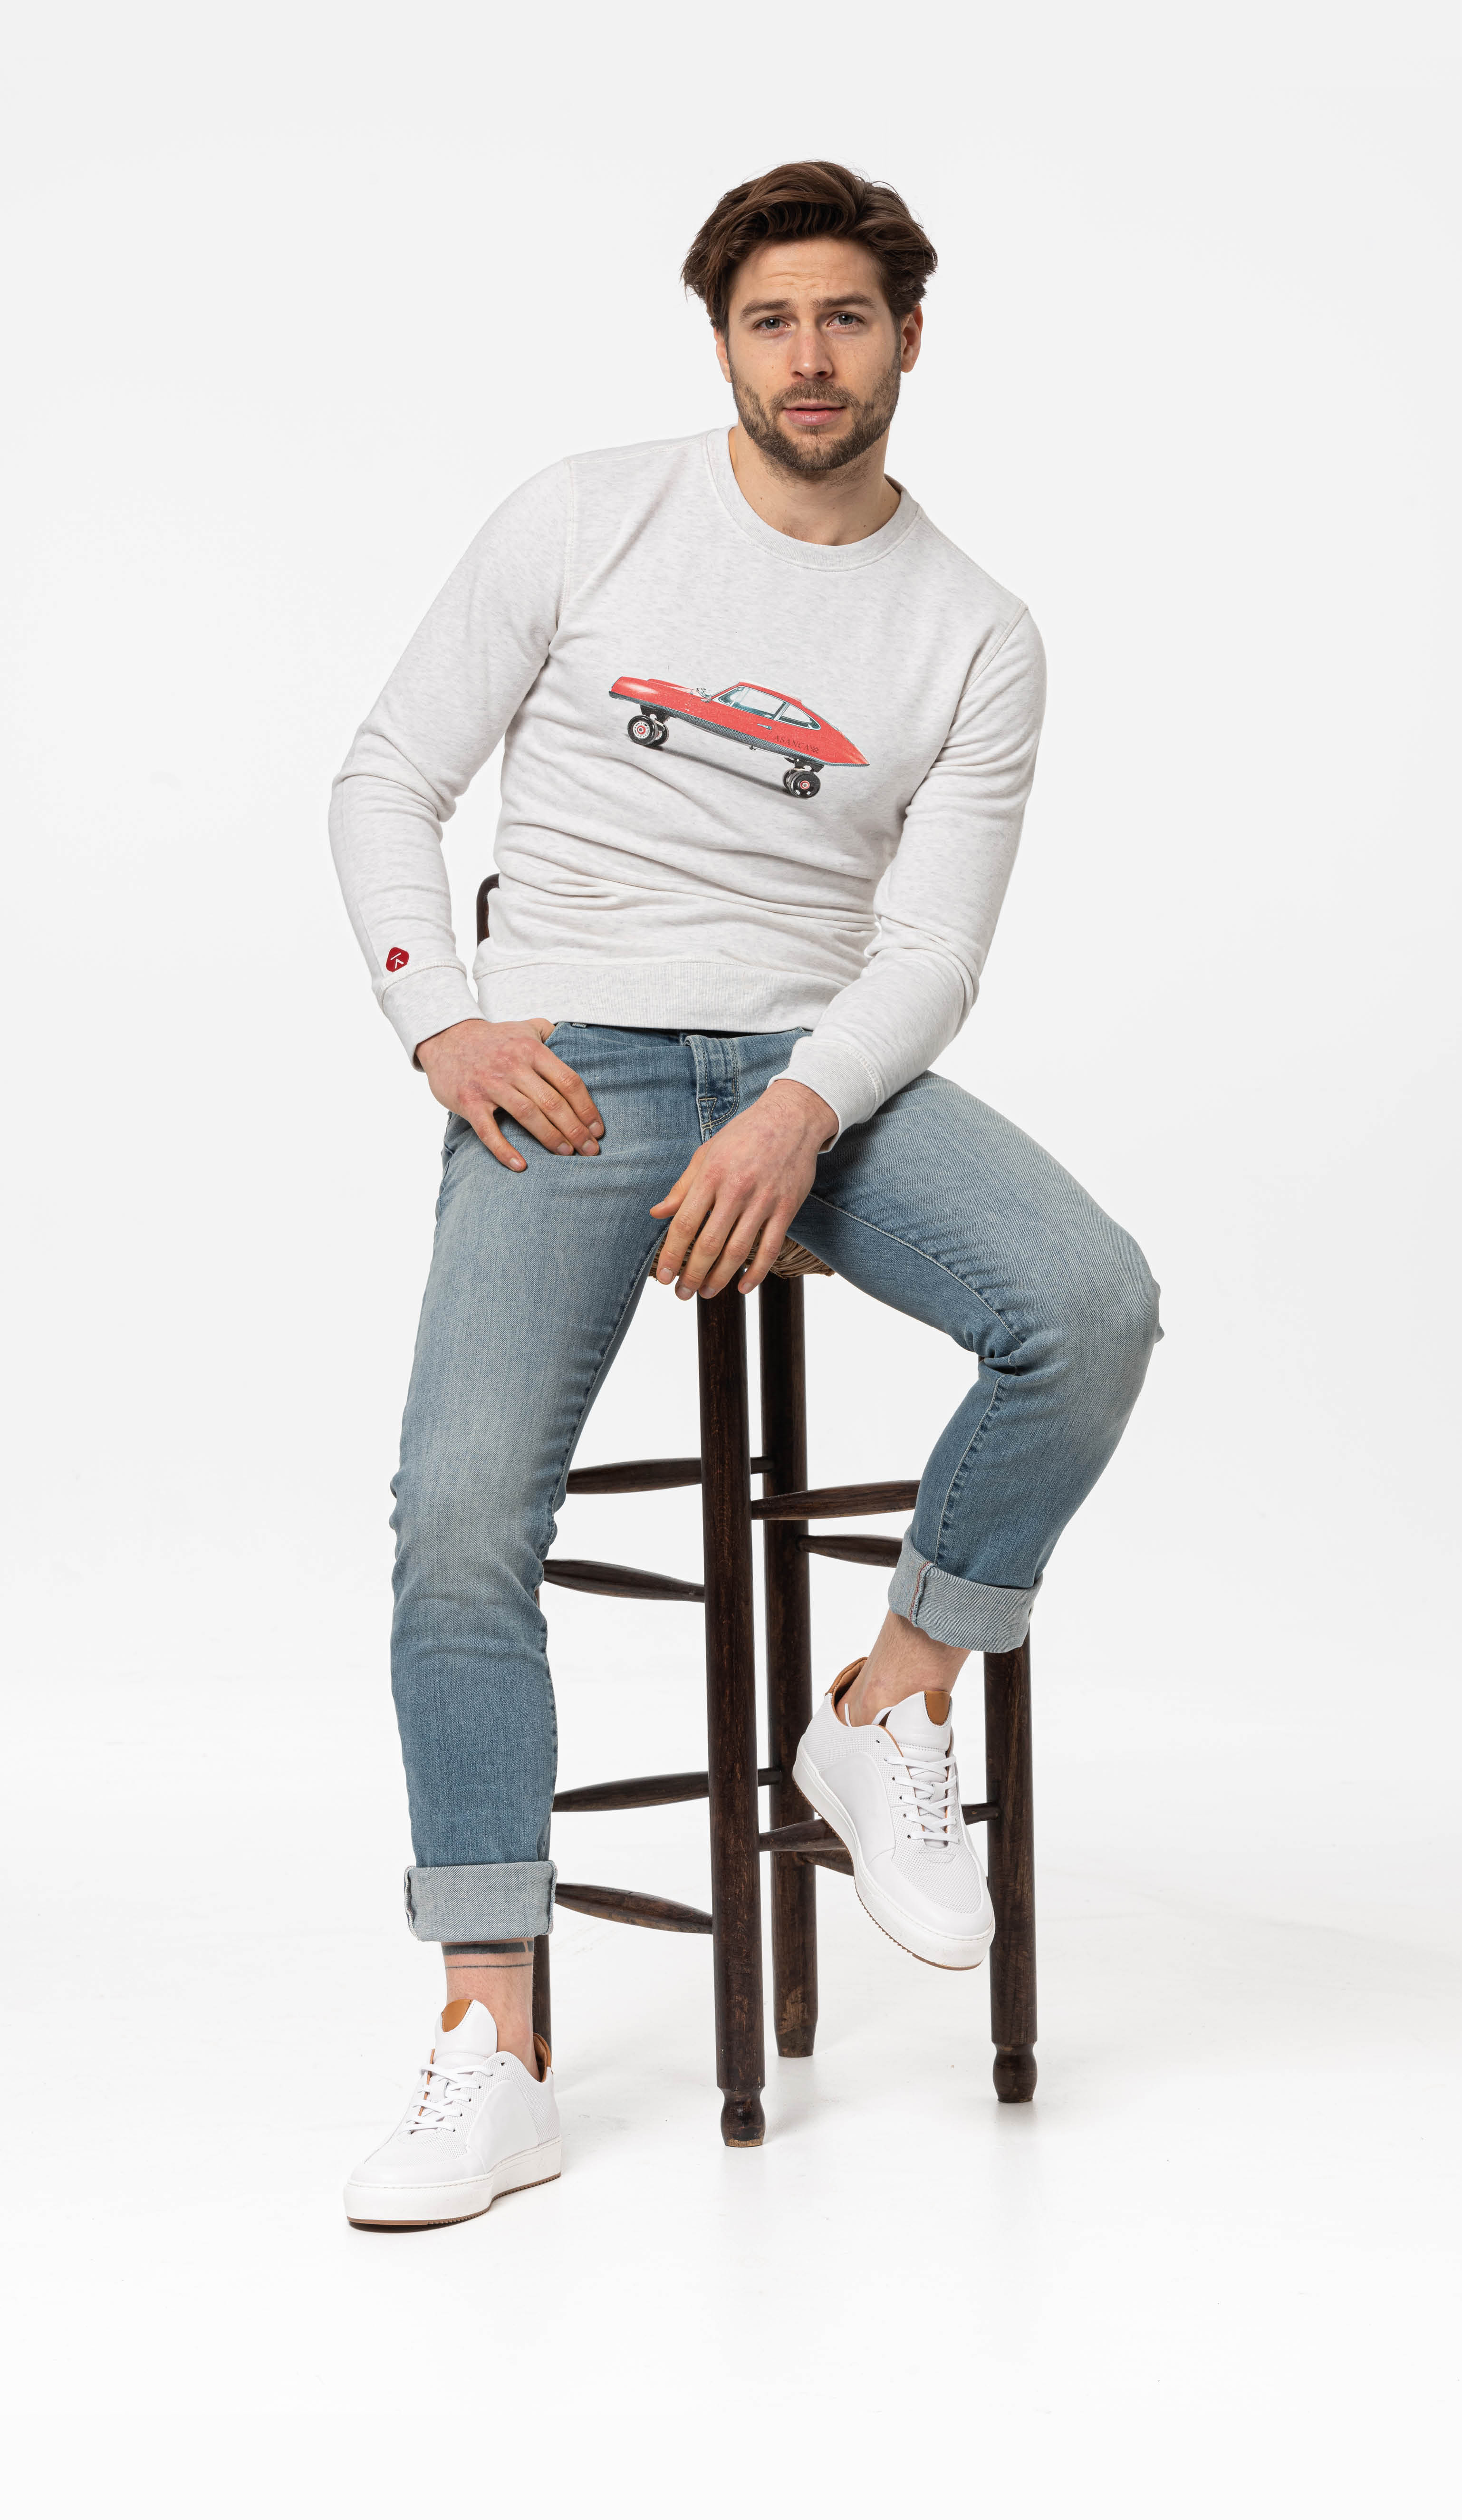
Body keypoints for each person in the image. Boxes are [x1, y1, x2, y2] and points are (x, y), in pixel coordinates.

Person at [329, 160, 1160, 2232]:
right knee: (459, 1515)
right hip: (568, 1063)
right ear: (721, 339)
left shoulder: (974, 630)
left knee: (1089, 1304)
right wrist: (443, 1022)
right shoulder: (583, 516)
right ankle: (495, 2045)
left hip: (819, 1065)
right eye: (772, 319)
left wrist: (797, 1114)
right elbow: (386, 779)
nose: (809, 357)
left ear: (907, 340)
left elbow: (931, 952)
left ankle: (887, 1700)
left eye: (846, 318)